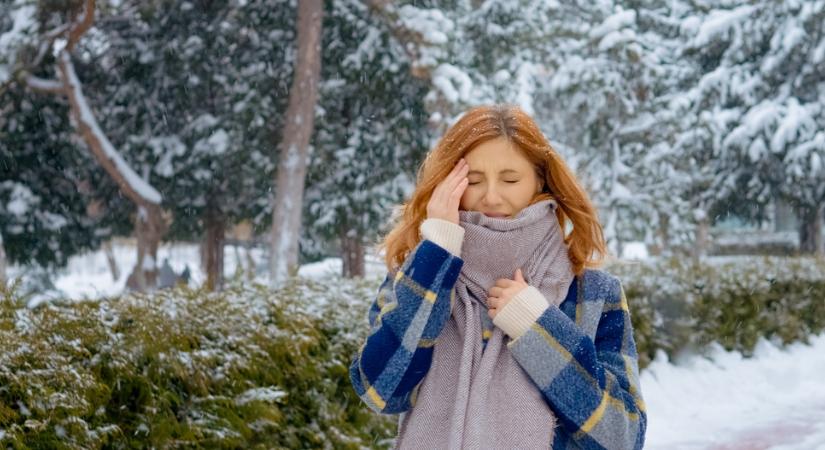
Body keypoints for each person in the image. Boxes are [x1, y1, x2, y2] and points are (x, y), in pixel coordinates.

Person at [349, 104, 646, 449]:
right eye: (473, 181)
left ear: (540, 180)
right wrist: (437, 252)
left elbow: (622, 437)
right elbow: (380, 390)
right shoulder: (419, 275)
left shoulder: (593, 293)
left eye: (510, 179)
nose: (491, 196)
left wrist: (539, 329)